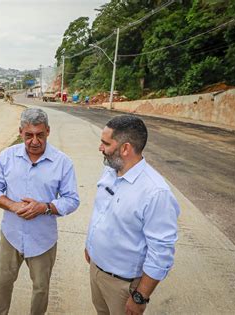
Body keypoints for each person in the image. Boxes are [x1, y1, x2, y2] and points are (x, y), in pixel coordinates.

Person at [0, 108, 80, 315]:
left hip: (43, 240)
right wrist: (13, 205)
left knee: (41, 288)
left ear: (48, 131)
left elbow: (72, 200)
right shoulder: (7, 157)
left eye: (40, 134)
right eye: (29, 135)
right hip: (10, 236)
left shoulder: (63, 162)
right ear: (21, 132)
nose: (34, 141)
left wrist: (45, 207)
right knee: (3, 283)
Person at [85, 115, 180, 315]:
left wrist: (140, 297)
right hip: (96, 271)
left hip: (123, 286)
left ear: (125, 148)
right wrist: (90, 246)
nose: (100, 148)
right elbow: (101, 212)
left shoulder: (155, 193)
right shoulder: (111, 170)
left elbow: (161, 253)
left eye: (105, 143)